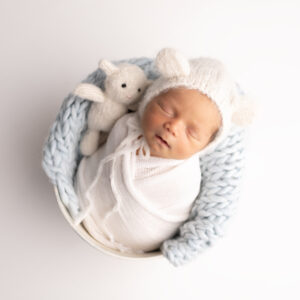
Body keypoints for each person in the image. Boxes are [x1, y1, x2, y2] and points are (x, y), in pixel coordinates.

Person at [74, 48, 253, 254]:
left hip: (128, 245)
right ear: (149, 99)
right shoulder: (125, 125)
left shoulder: (185, 180)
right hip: (79, 202)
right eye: (166, 110)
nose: (173, 127)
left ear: (204, 147)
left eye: (192, 132)